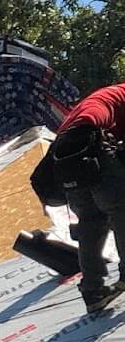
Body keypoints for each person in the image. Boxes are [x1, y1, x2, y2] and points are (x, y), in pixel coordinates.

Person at [31, 83, 125, 313]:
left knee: (90, 223)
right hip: (93, 146)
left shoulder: (107, 97)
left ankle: (92, 291)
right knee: (121, 210)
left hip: (65, 159)